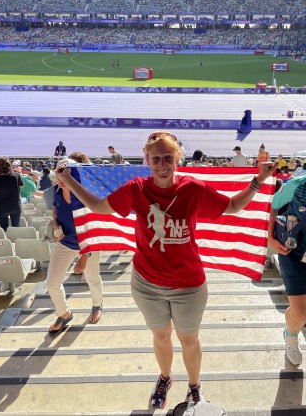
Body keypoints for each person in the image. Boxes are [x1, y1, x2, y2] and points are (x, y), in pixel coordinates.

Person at [57, 131, 277, 408]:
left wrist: (259, 180)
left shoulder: (193, 189)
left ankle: (195, 387)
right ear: (147, 160)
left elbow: (232, 207)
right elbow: (99, 206)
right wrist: (67, 180)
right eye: (157, 158)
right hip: (147, 284)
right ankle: (165, 377)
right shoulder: (136, 189)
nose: (162, 164)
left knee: (188, 338)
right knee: (160, 335)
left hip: (189, 285)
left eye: (168, 158)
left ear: (177, 159)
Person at [46, 156, 103, 335]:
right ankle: (64, 313)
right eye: (59, 175)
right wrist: (55, 225)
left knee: (92, 277)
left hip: (88, 242)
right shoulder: (57, 190)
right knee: (52, 283)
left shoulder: (87, 194)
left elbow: (95, 226)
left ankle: (97, 304)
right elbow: (55, 207)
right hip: (65, 242)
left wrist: (84, 256)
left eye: (66, 175)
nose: (62, 180)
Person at [268, 176, 306, 366]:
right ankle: (290, 334)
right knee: (300, 313)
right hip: (292, 252)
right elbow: (273, 205)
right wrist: (270, 238)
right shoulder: (297, 184)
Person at [0, 156, 24, 231]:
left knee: (4, 229)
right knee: (16, 228)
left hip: (1, 207)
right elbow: (21, 186)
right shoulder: (16, 176)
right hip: (15, 206)